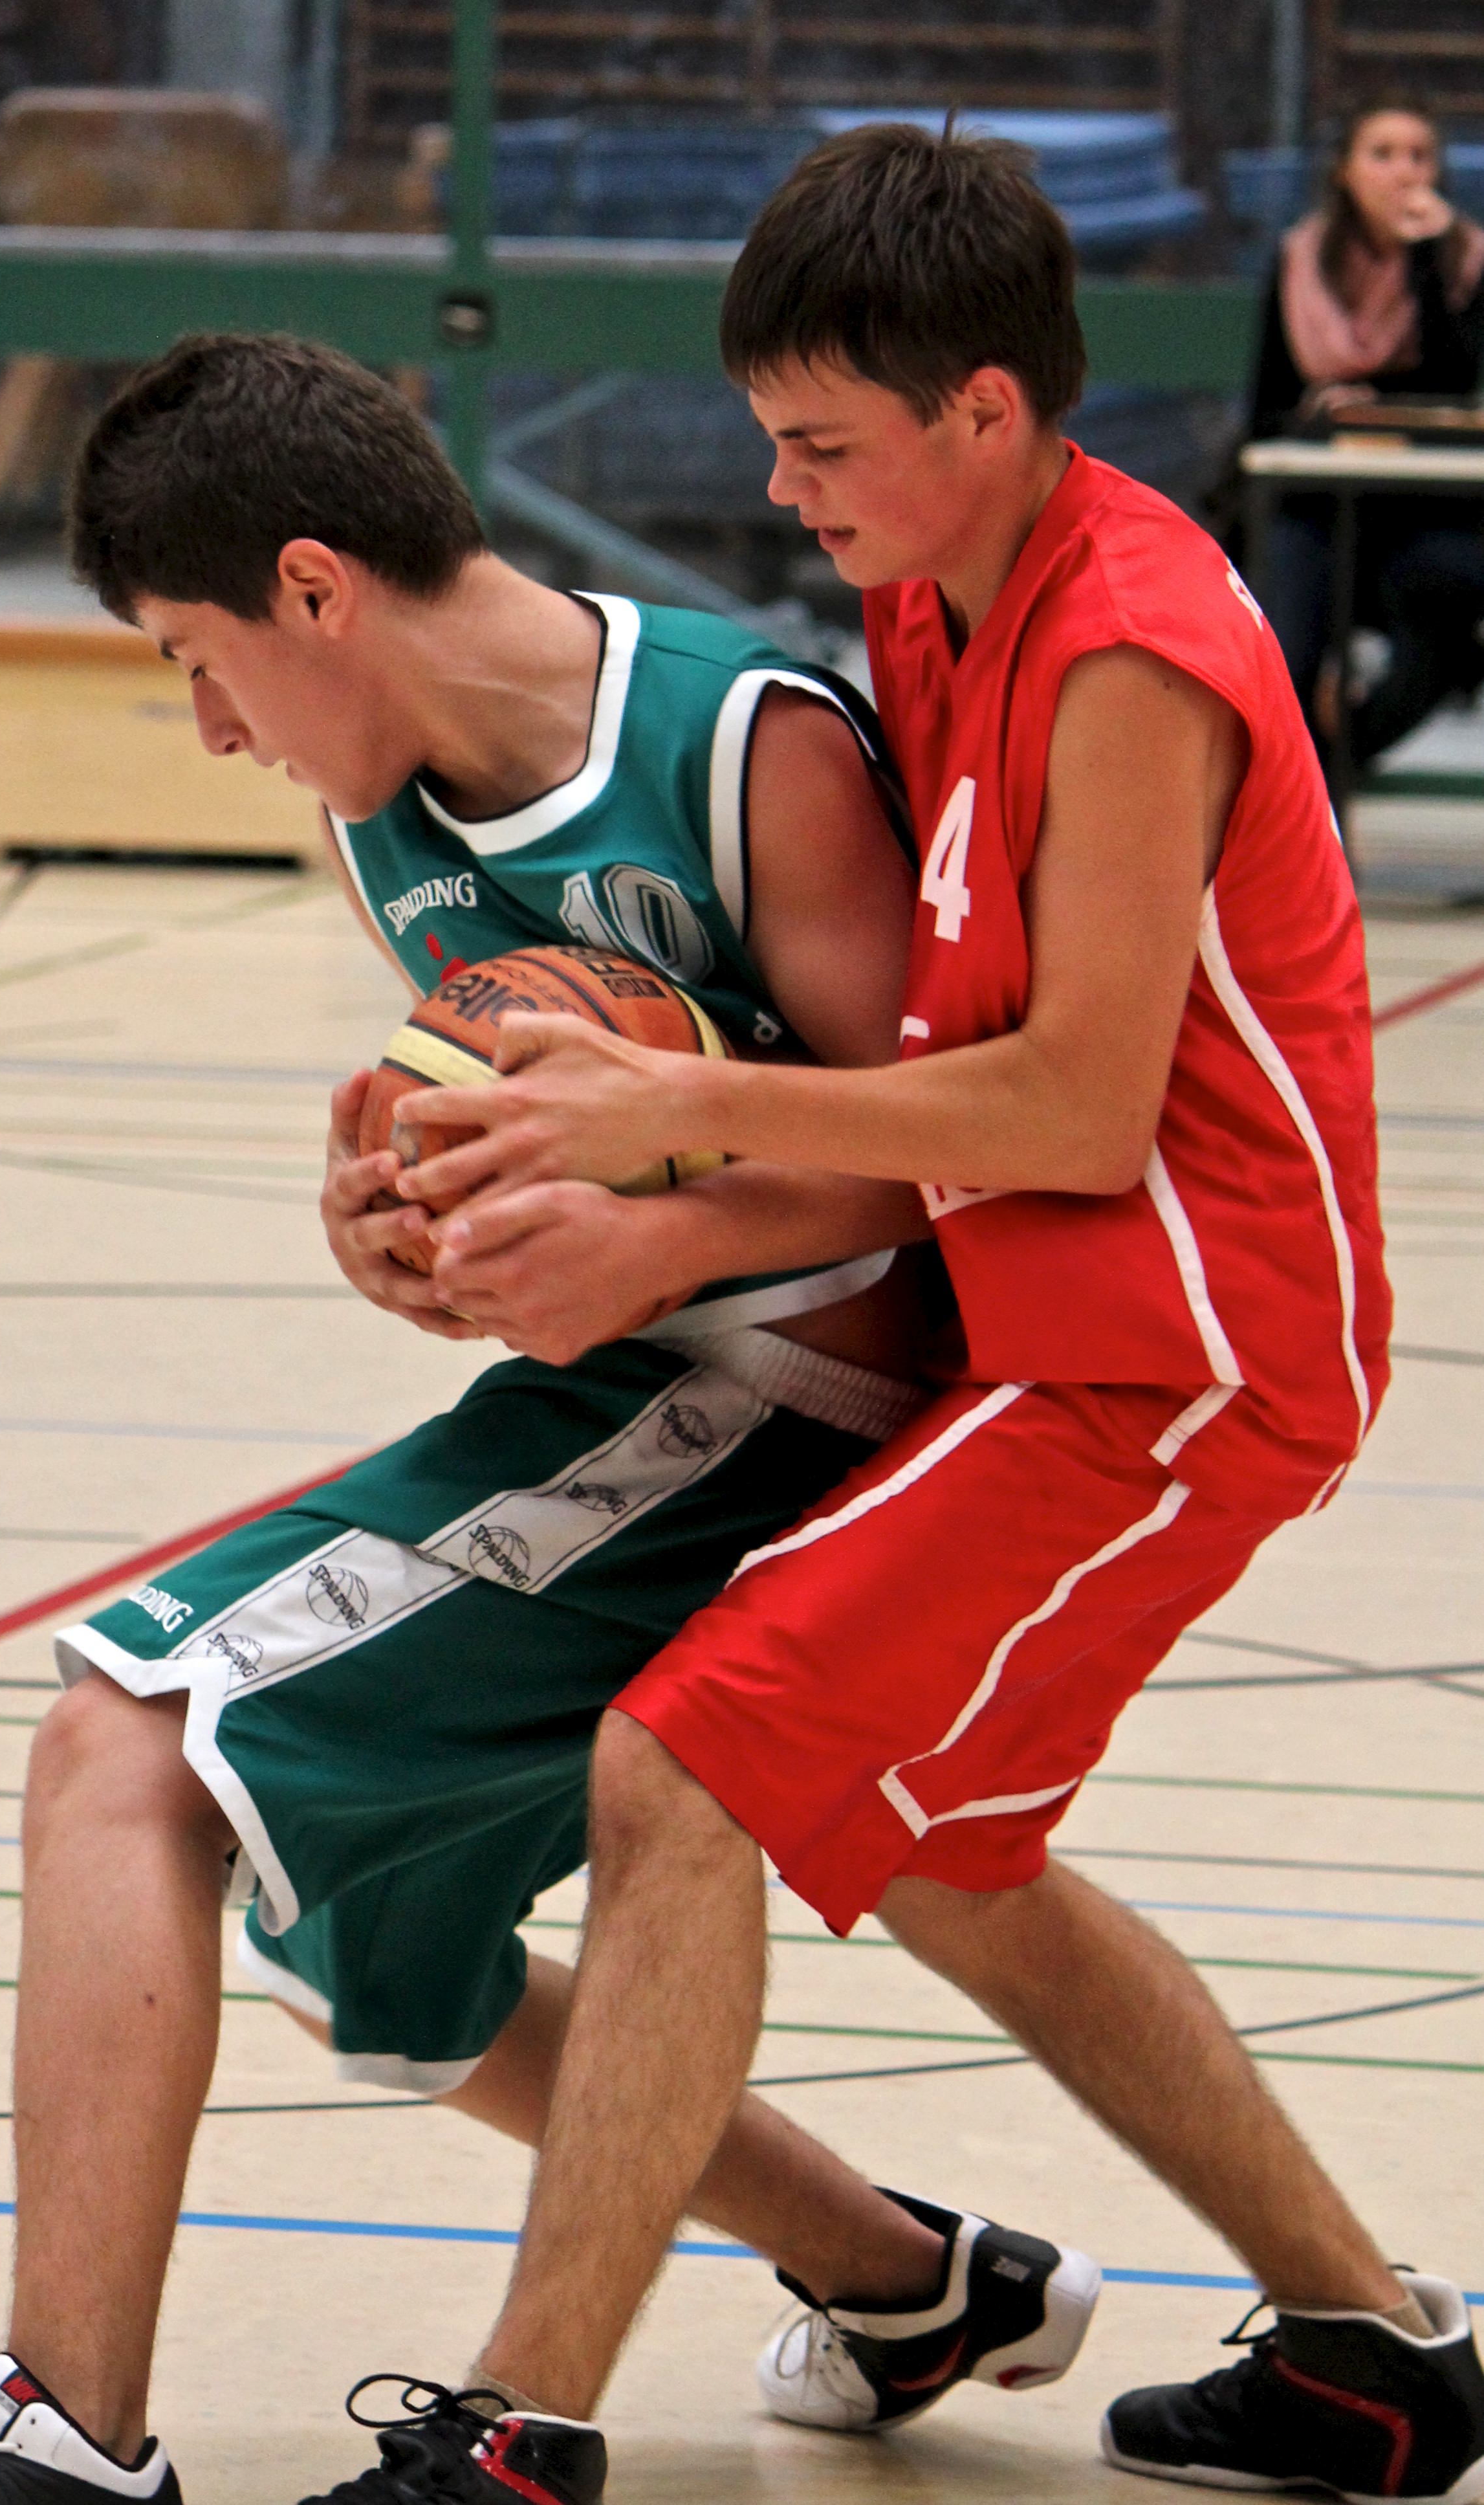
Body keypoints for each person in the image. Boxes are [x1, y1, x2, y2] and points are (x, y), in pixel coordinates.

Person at [0, 333, 1103, 2505]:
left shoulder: (743, 742)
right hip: (637, 1390)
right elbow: (495, 1142)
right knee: (366, 1934)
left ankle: (62, 2444)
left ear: (315, 588)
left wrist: (669, 1232)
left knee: (124, 1747)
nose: (209, 725)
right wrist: (401, 1228)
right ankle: (909, 2281)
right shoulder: (378, 819)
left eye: (198, 660)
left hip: (816, 1405)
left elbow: (948, 1169)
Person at [375, 125, 1484, 2503]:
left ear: (984, 409)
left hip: (1181, 1340)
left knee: (680, 1766)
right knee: (953, 1852)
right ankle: (1376, 2358)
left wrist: (678, 1117)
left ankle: (517, 2434)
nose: (782, 490)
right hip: (1059, 1322)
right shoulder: (934, 592)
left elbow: (1076, 1105)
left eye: (820, 444)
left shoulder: (1129, 642)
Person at [1247, 94, 1484, 765]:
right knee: (1283, 656)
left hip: (1421, 512)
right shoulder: (1301, 261)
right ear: (1345, 171)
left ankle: (1327, 772)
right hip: (1317, 503)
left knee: (1440, 641)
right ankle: (1301, 784)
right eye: (1382, 154)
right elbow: (1264, 409)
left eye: (1420, 156)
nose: (1404, 172)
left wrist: (1425, 260)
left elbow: (1455, 384)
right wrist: (1322, 412)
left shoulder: (1463, 259)